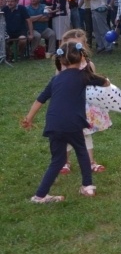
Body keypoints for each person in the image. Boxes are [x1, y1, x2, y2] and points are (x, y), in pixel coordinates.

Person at [21, 41, 110, 203]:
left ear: (61, 61)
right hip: (73, 123)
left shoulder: (55, 80)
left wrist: (29, 119)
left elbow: (40, 100)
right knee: (82, 151)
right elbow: (105, 82)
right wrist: (97, 75)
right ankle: (88, 187)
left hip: (54, 124)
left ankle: (40, 195)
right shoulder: (84, 76)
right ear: (82, 57)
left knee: (57, 160)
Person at [57, 29, 112, 176]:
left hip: (85, 106)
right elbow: (57, 85)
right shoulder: (61, 66)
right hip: (68, 107)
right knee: (67, 135)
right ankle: (65, 163)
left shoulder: (89, 64)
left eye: (80, 46)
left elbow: (94, 83)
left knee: (85, 134)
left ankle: (90, 162)